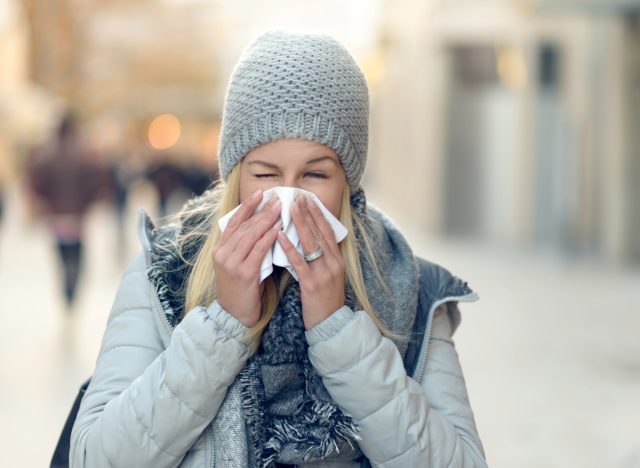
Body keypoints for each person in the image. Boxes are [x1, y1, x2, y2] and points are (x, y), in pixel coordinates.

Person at [70, 31, 487, 467]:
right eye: (266, 175)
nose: (288, 198)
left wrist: (339, 332)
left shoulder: (409, 288)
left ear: (347, 181)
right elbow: (94, 458)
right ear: (236, 176)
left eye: (315, 175)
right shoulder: (163, 273)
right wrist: (222, 327)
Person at [25, 113, 109, 307]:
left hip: (56, 217)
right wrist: (87, 203)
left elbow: (36, 182)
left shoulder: (46, 153)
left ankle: (66, 288)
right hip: (78, 217)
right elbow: (99, 180)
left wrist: (46, 203)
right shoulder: (86, 153)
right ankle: (72, 288)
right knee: (77, 256)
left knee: (62, 256)